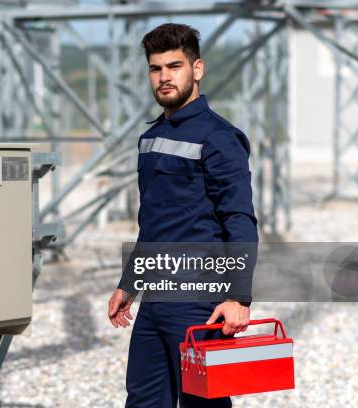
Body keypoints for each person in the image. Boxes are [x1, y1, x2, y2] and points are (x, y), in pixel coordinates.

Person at [107, 23, 259, 408]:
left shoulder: (220, 139)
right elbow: (154, 223)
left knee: (203, 401)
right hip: (156, 296)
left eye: (174, 66)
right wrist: (130, 283)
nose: (164, 77)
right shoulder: (151, 138)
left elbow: (240, 220)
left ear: (198, 69)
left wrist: (239, 297)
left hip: (198, 298)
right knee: (142, 399)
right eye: (156, 69)